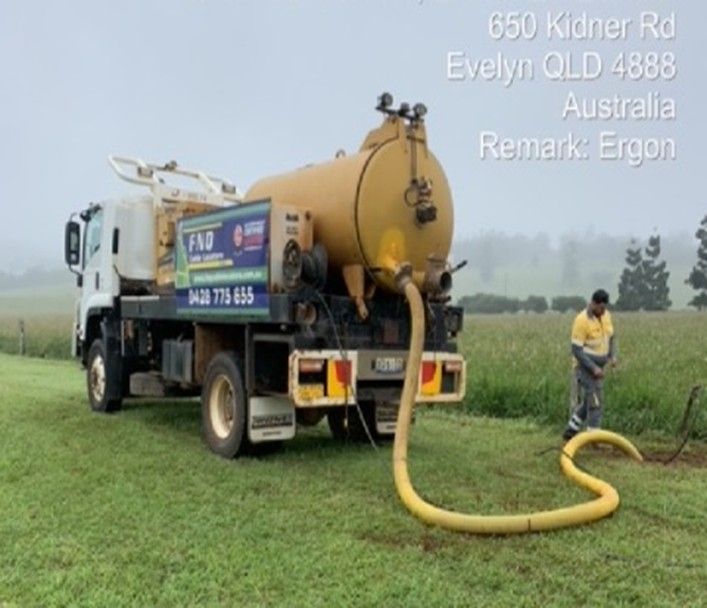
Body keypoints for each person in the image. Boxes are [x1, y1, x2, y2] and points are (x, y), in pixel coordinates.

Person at [562, 289, 617, 441]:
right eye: (600, 308)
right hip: (584, 368)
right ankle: (593, 440)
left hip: (599, 368)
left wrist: (612, 356)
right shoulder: (581, 320)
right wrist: (594, 368)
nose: (603, 311)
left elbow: (611, 337)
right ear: (593, 303)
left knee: (588, 401)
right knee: (595, 403)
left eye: (605, 308)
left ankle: (570, 431)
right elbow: (576, 350)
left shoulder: (606, 316)